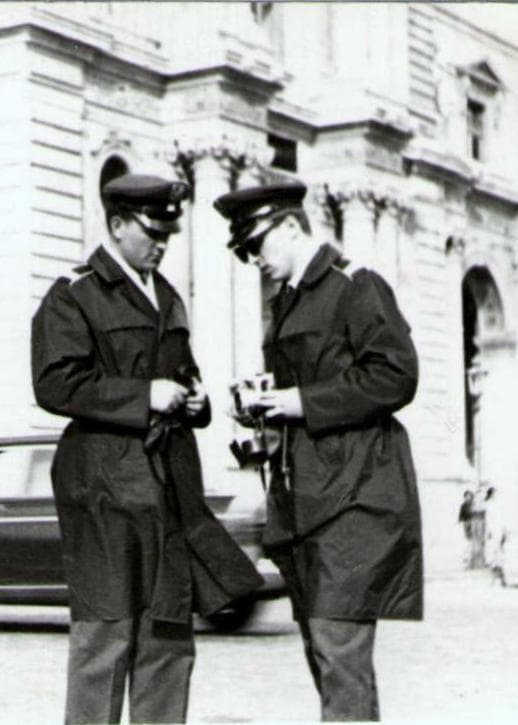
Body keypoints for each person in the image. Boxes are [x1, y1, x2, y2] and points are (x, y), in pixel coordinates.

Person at [31, 173, 262, 724]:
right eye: (151, 231)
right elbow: (55, 384)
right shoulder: (75, 294)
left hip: (171, 489)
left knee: (168, 639)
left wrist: (195, 398)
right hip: (105, 489)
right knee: (105, 640)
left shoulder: (168, 295)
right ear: (116, 225)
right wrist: (144, 396)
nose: (162, 243)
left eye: (168, 233)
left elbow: (182, 374)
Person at [213, 180, 423, 722]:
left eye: (257, 244)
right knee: (328, 659)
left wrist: (297, 402)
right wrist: (263, 421)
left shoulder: (355, 285)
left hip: (354, 501)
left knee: (338, 652)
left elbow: (395, 376)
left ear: (289, 226)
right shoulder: (288, 299)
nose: (254, 259)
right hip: (305, 502)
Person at [458, 490, 475, 567]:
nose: (468, 498)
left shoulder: (474, 504)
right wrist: (461, 522)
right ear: (464, 497)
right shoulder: (463, 505)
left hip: (473, 523)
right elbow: (460, 516)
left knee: (471, 540)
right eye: (466, 496)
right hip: (466, 523)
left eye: (469, 496)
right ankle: (467, 557)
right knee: (468, 540)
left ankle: (469, 556)